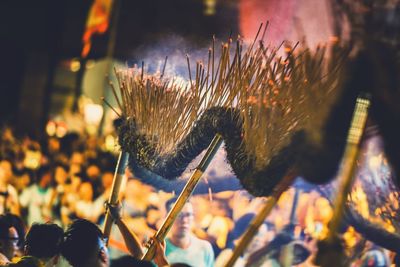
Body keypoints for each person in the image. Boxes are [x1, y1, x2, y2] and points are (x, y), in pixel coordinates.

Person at [164, 197, 214, 267]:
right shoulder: (158, 251)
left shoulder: (204, 248)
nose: (184, 220)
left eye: (188, 215)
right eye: (178, 215)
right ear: (167, 218)